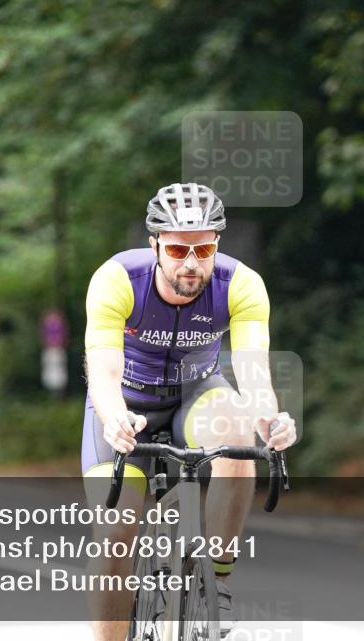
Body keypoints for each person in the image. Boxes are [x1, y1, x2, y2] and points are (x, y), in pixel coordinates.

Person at [81, 182, 297, 640]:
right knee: (116, 536)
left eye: (205, 249)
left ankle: (214, 581)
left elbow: (253, 371)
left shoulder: (241, 284)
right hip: (127, 401)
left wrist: (270, 418)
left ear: (217, 244)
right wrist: (114, 416)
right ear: (155, 244)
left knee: (238, 433)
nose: (192, 262)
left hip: (196, 394)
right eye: (178, 249)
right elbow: (103, 368)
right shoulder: (118, 279)